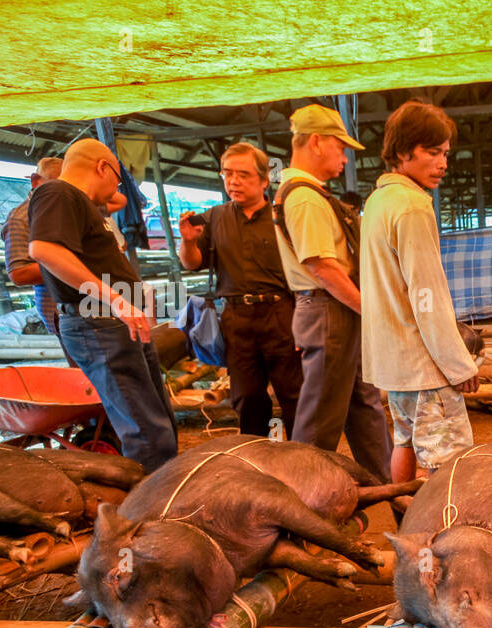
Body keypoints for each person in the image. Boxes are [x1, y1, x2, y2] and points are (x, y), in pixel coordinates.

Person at [28, 138, 178, 472]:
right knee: (145, 428)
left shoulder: (81, 204)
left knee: (157, 419)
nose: (116, 189)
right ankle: (156, 511)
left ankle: (167, 491)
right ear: (102, 167)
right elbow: (44, 250)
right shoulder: (57, 193)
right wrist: (116, 300)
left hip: (113, 323)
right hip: (98, 324)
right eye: (117, 179)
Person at [359, 100, 480, 481]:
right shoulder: (411, 206)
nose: (443, 162)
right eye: (432, 152)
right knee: (446, 466)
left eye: (445, 153)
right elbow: (426, 296)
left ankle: (406, 528)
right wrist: (458, 364)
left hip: (394, 360)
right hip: (424, 363)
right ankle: (438, 537)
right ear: (402, 152)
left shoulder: (378, 201)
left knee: (405, 442)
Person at [273, 104, 392, 481]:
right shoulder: (304, 198)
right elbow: (322, 267)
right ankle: (300, 513)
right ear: (316, 141)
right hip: (329, 311)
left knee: (365, 407)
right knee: (319, 423)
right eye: (340, 147)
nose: (344, 157)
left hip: (337, 311)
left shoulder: (313, 194)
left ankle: (390, 492)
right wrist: (369, 308)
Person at [178, 141, 304, 437]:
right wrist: (188, 240)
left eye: (243, 174)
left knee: (293, 392)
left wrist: (304, 321)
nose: (233, 181)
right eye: (227, 173)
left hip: (281, 313)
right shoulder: (215, 217)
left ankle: (302, 454)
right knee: (247, 396)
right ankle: (255, 453)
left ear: (263, 180)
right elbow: (192, 263)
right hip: (237, 318)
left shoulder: (281, 217)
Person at [1, 157, 64, 340]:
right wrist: (71, 262)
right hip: (61, 307)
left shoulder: (64, 210)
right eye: (60, 186)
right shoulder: (20, 218)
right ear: (36, 181)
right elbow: (19, 273)